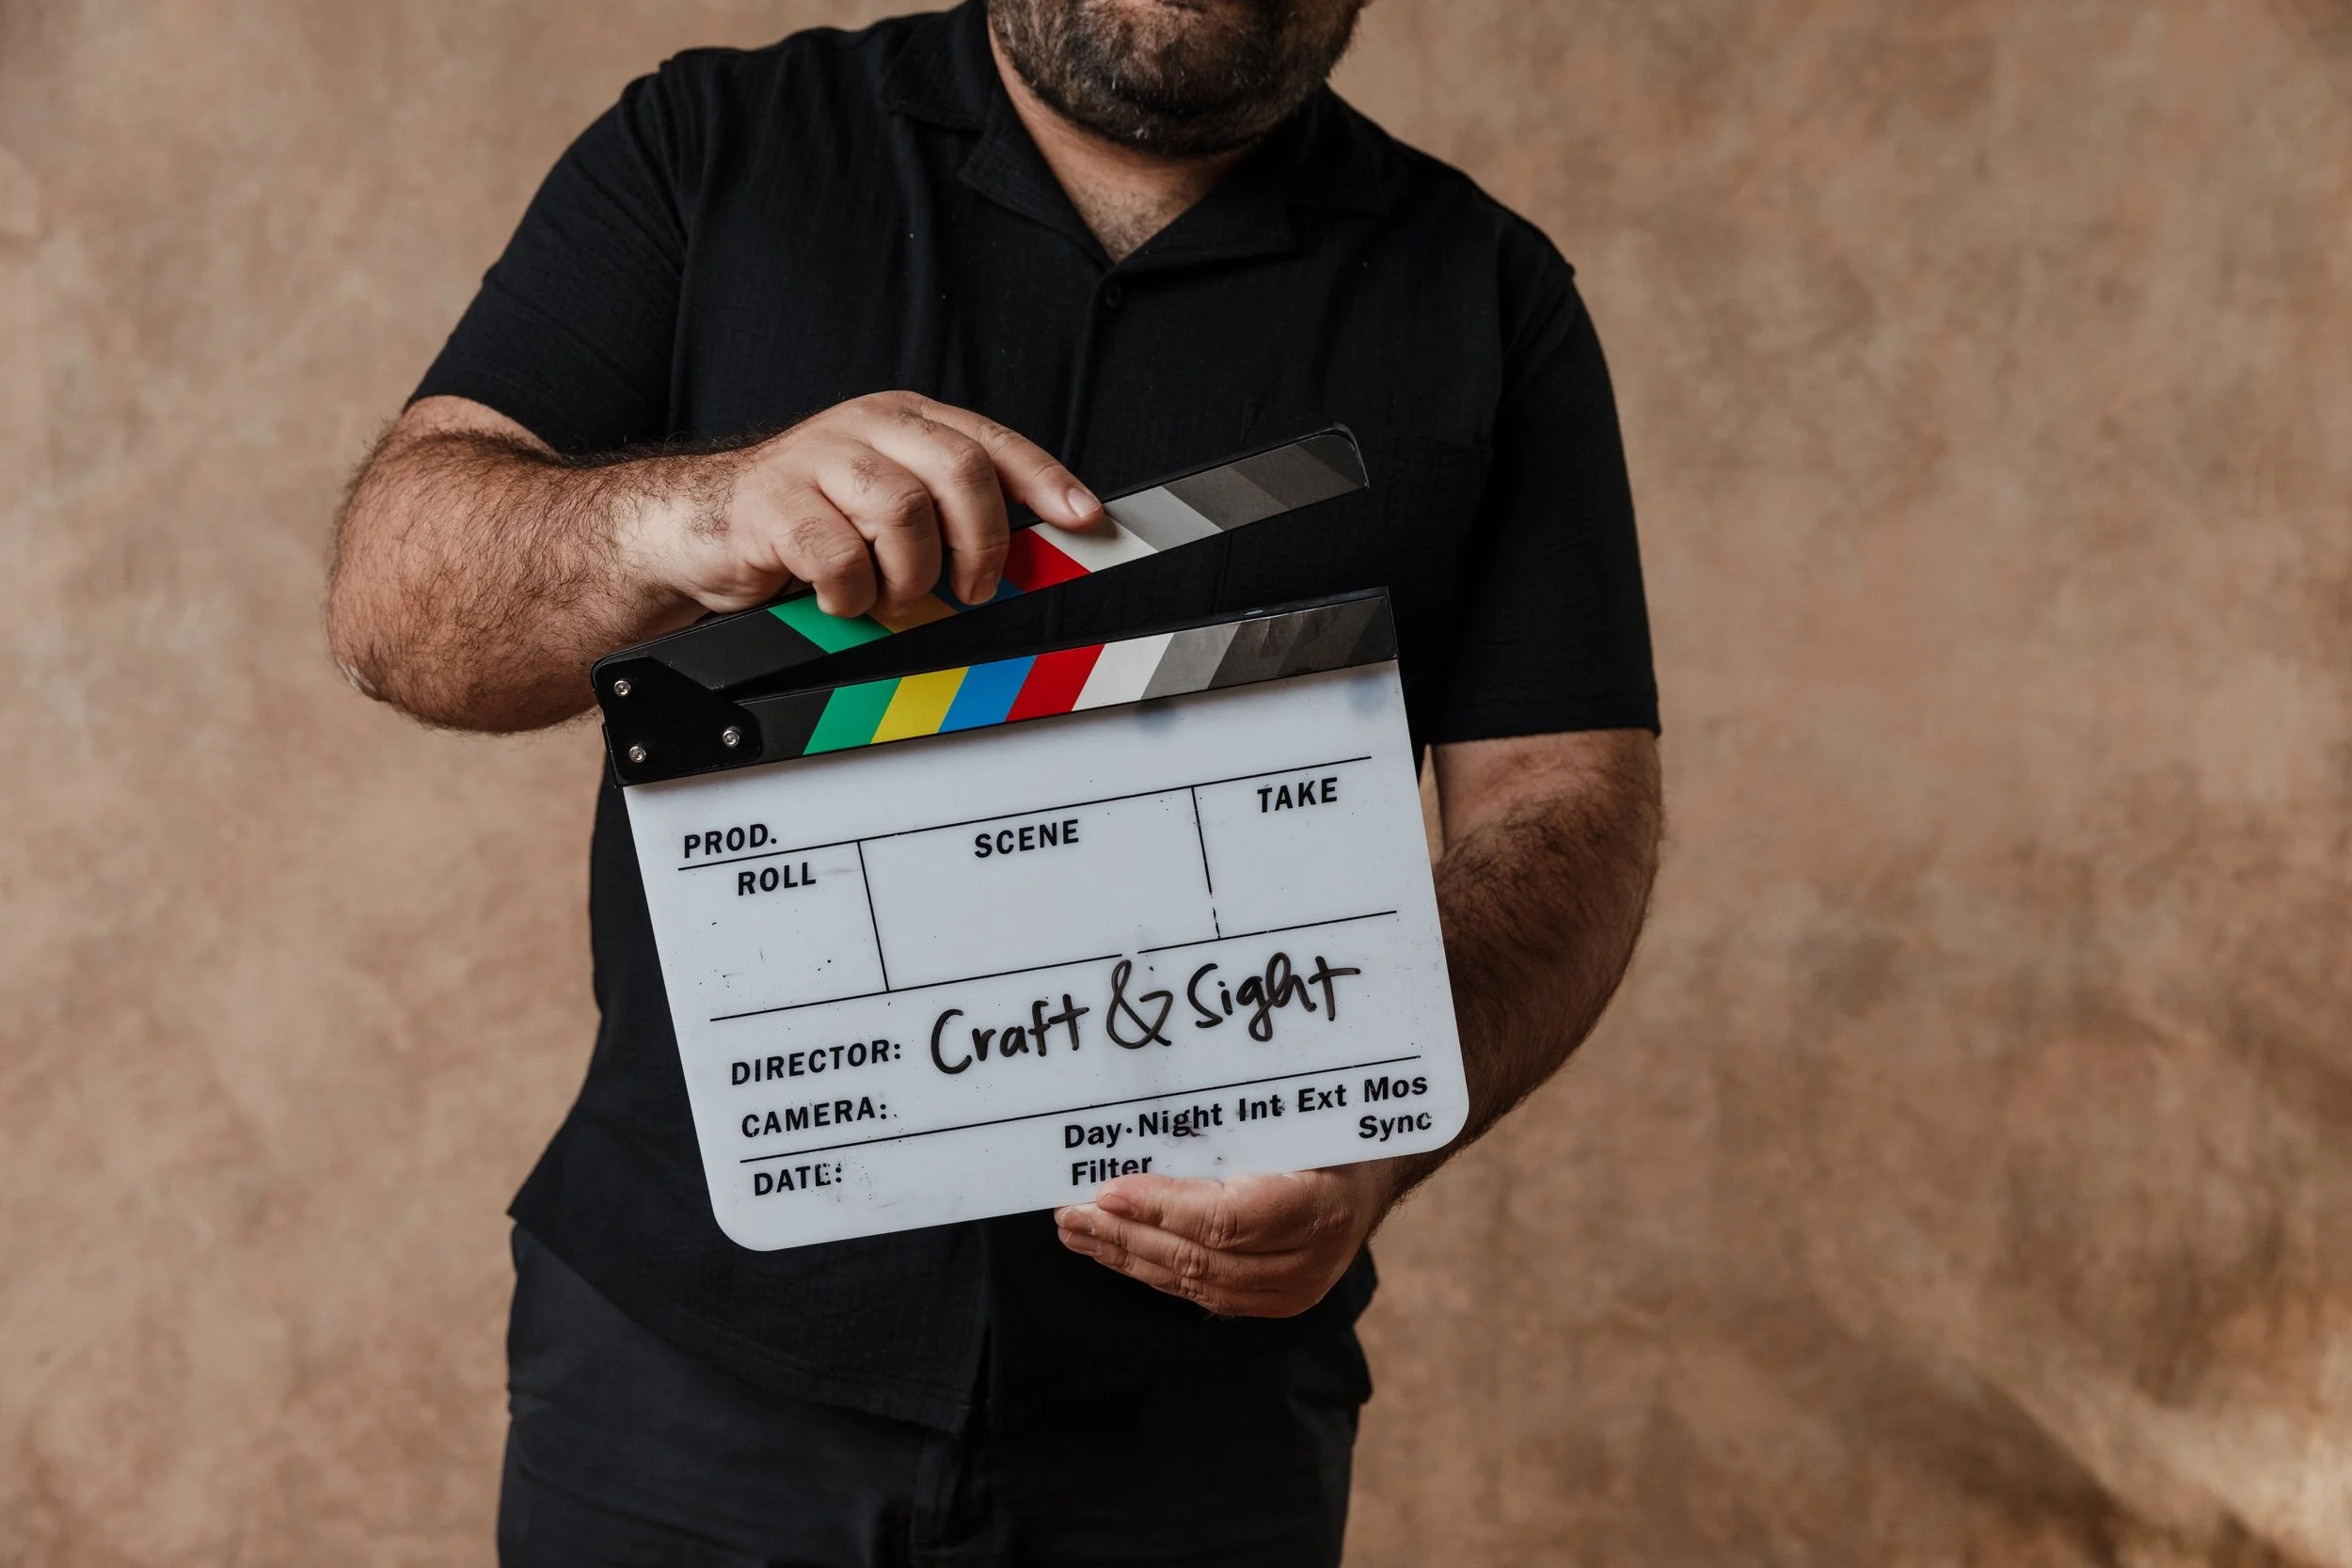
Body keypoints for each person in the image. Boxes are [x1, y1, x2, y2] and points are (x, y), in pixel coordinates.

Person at [326, 1, 1661, 1561]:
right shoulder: (712, 149)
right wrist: (691, 519)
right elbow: (396, 608)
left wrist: (1384, 1124)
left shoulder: (1486, 293)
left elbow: (1568, 798)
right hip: (687, 1364)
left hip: (1194, 1411)